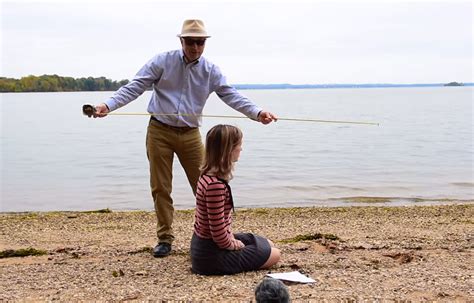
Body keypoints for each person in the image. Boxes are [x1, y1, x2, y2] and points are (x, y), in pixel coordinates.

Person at [89, 19, 277, 258]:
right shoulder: (162, 61)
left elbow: (231, 95)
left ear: (204, 43)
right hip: (159, 131)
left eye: (200, 42)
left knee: (207, 184)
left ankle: (211, 236)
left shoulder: (211, 71)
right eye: (190, 42)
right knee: (160, 187)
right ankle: (165, 239)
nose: (195, 47)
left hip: (190, 134)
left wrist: (257, 113)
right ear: (182, 41)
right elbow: (134, 87)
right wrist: (107, 105)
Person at [191, 124, 280, 275]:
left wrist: (232, 238)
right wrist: (234, 244)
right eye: (239, 145)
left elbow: (215, 225)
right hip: (210, 256)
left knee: (267, 244)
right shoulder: (215, 186)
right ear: (228, 150)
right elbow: (218, 233)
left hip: (205, 244)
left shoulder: (206, 175)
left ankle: (248, 249)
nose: (241, 149)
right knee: (275, 254)